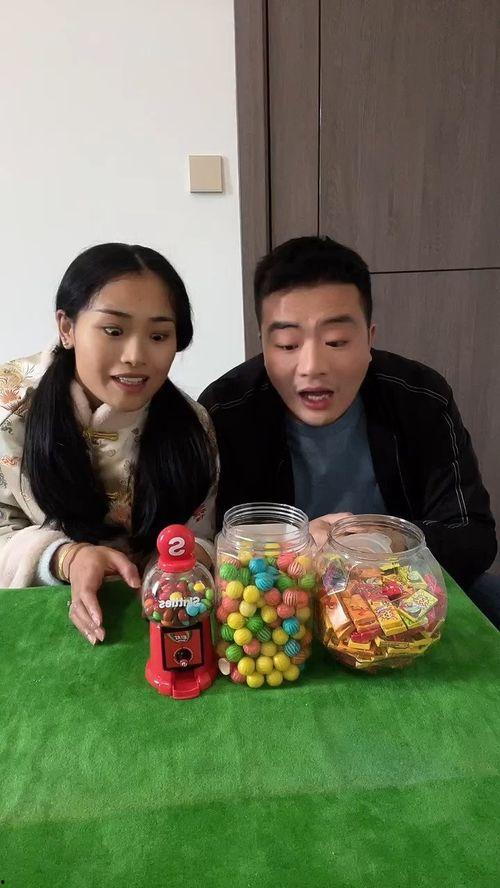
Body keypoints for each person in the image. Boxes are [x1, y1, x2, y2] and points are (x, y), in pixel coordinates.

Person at [199, 235, 498, 623]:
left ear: (369, 339)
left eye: (336, 341)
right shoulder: (226, 411)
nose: (312, 366)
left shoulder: (420, 397)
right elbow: (210, 546)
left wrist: (381, 537)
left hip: (399, 597)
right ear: (263, 345)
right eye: (288, 344)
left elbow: (472, 536)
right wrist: (296, 546)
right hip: (276, 611)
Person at [0, 243, 217, 643]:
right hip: (39, 626)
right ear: (67, 328)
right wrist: (67, 557)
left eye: (158, 335)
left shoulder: (193, 426)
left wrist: (178, 563)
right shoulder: (8, 409)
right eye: (114, 331)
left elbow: (200, 533)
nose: (135, 356)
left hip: (156, 619)